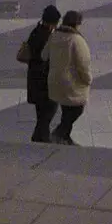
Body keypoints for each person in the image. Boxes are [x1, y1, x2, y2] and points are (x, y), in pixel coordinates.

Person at [46, 10, 91, 145]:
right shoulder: (76, 40)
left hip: (55, 81)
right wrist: (88, 79)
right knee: (77, 109)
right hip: (71, 83)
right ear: (76, 24)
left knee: (66, 110)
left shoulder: (53, 36)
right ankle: (59, 133)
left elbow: (44, 55)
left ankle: (65, 136)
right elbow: (83, 63)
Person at [23, 4, 60, 142]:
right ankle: (42, 141)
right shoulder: (48, 37)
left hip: (34, 80)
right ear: (52, 23)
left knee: (41, 115)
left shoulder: (35, 31)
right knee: (47, 115)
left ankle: (39, 139)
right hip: (45, 83)